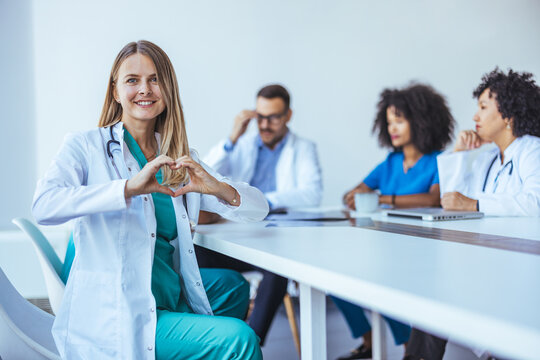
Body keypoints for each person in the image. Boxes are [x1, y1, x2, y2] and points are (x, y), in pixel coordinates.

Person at [32, 40, 269, 360]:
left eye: (155, 79)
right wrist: (127, 188)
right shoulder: (86, 146)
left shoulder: (179, 158)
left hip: (163, 291)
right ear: (115, 91)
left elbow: (259, 209)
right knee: (238, 340)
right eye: (132, 80)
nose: (145, 89)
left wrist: (217, 188)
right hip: (119, 312)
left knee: (233, 287)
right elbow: (44, 206)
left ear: (168, 89)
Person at [405, 69, 540, 360]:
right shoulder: (489, 158)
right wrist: (459, 153)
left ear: (507, 115)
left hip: (518, 266)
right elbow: (451, 202)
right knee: (431, 294)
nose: (475, 116)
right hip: (488, 260)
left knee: (437, 295)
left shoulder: (533, 150)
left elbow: (536, 202)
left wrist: (476, 204)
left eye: (482, 107)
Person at [336, 83, 456, 360]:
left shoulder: (440, 160)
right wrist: (355, 196)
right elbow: (352, 193)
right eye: (389, 122)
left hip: (426, 252)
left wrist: (383, 198)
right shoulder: (390, 161)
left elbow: (432, 199)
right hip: (387, 245)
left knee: (393, 285)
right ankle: (371, 342)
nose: (393, 128)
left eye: (399, 121)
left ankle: (409, 349)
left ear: (422, 121)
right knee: (336, 281)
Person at [198, 84, 323, 345]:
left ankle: (250, 342)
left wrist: (260, 201)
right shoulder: (241, 146)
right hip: (237, 234)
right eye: (260, 117)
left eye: (273, 117)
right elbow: (205, 174)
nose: (265, 125)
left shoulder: (303, 148)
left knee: (279, 266)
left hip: (277, 238)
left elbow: (312, 194)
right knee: (198, 253)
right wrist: (231, 139)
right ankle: (215, 336)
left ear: (288, 115)